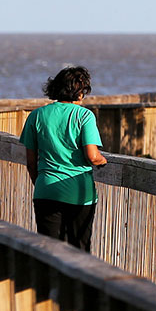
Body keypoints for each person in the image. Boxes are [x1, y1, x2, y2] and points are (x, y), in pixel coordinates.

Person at [20, 65, 107, 252]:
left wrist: (41, 182)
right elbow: (92, 156)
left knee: (48, 251)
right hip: (79, 193)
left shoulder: (36, 116)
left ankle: (46, 282)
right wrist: (103, 160)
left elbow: (30, 162)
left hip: (46, 190)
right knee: (79, 251)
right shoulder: (84, 116)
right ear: (80, 92)